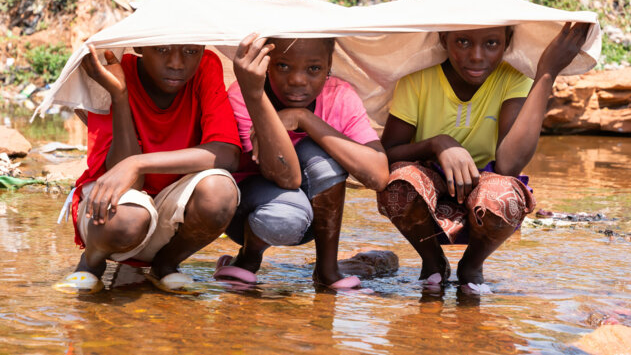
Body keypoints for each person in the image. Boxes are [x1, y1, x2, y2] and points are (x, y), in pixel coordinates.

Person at [377, 23, 591, 293]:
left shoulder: (512, 78)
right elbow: (386, 154)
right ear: (443, 39)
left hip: (484, 193)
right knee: (398, 184)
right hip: (429, 189)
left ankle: (472, 266)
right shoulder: (418, 79)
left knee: (504, 196)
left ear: (507, 41)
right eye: (463, 42)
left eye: (491, 43)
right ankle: (433, 262)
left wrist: (547, 72)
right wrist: (438, 144)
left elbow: (509, 165)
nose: (477, 56)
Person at [55, 43, 242, 294]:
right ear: (141, 46)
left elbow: (228, 154)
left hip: (169, 211)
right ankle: (91, 263)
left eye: (190, 51)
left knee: (220, 192)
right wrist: (120, 95)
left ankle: (166, 264)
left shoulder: (205, 66)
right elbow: (128, 184)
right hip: (114, 216)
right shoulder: (112, 69)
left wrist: (137, 163)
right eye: (162, 50)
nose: (177, 63)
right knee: (129, 217)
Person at [216, 34, 389, 289]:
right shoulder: (245, 95)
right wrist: (259, 102)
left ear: (329, 66)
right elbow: (286, 177)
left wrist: (303, 118)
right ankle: (248, 259)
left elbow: (378, 175)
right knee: (287, 214)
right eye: (283, 66)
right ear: (266, 63)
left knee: (320, 154)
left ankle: (327, 271)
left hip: (311, 220)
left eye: (314, 69)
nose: (297, 80)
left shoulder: (338, 96)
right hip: (248, 213)